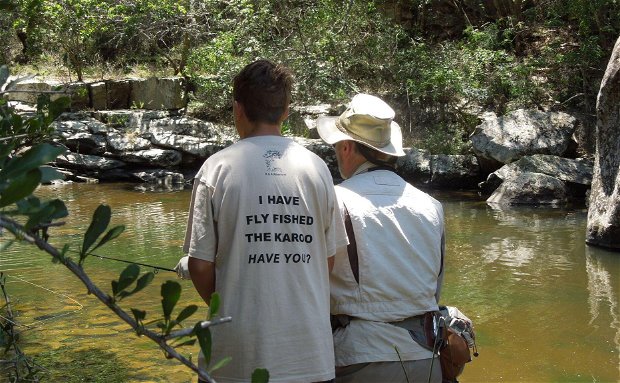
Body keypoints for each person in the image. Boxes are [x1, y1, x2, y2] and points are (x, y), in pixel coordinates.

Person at [183, 59, 348, 383]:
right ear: (286, 110)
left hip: (235, 357)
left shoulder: (216, 169)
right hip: (309, 355)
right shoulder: (317, 169)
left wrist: (232, 300)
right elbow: (327, 260)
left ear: (237, 109)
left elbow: (199, 266)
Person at [316, 93, 445, 383]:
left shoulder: (334, 200)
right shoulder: (431, 205)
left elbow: (313, 283)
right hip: (427, 359)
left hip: (360, 360)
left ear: (347, 147)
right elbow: (433, 291)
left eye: (337, 146)